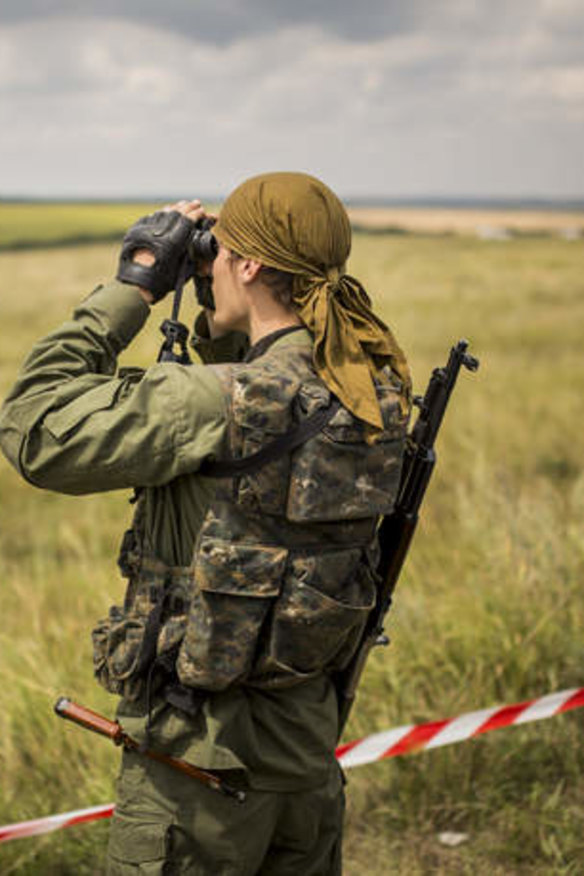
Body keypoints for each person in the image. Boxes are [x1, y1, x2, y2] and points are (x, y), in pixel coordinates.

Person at [0, 172, 411, 874]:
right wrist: (221, 313)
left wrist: (134, 287)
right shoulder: (370, 389)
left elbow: (32, 427)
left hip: (195, 774)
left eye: (219, 253)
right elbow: (260, 454)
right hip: (306, 762)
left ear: (247, 265)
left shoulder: (211, 404)